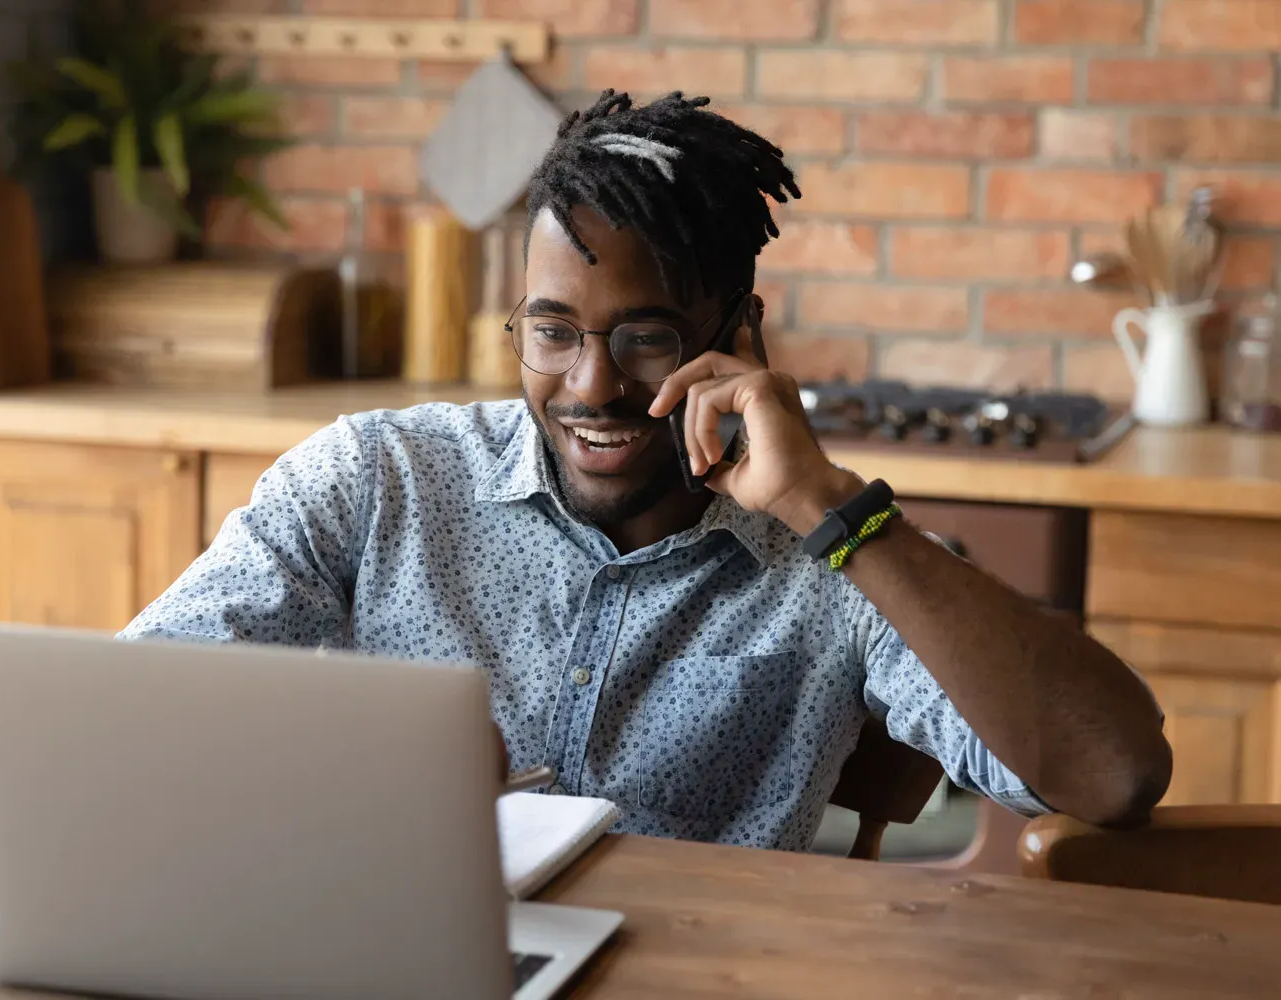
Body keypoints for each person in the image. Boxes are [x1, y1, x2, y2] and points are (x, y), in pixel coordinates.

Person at [121, 91, 1170, 849]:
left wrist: (829, 508)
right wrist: (329, 761)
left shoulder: (836, 565)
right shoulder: (374, 478)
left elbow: (1116, 777)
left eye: (647, 337)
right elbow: (127, 711)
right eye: (553, 331)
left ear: (741, 336)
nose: (594, 387)